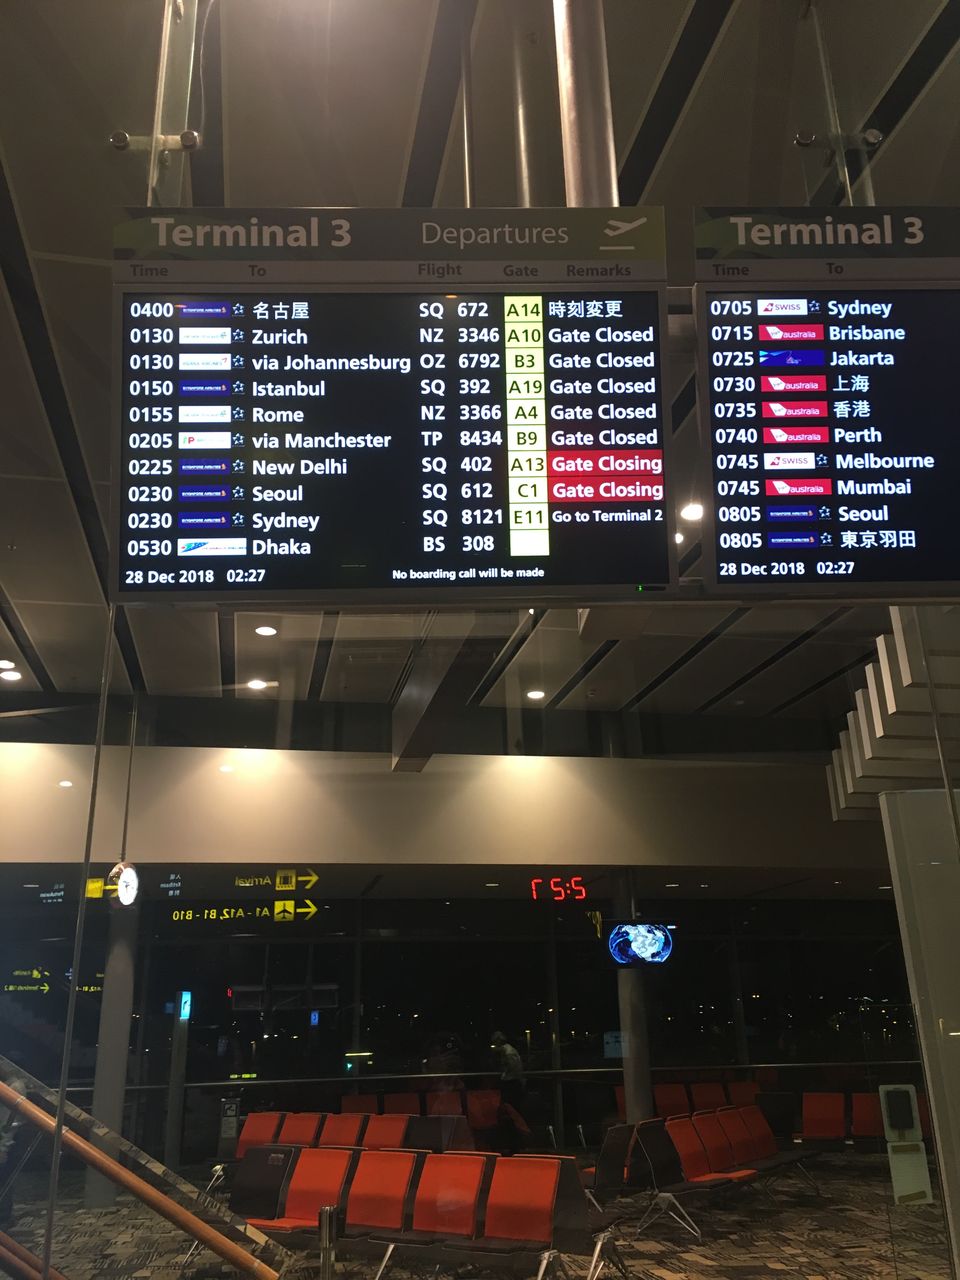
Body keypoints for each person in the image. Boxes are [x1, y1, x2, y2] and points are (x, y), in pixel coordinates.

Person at [490, 1031, 524, 1108]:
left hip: (511, 1082)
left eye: (495, 1042)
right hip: (512, 1081)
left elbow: (513, 1067)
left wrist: (505, 1071)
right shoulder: (508, 1051)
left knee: (510, 1106)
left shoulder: (508, 1052)